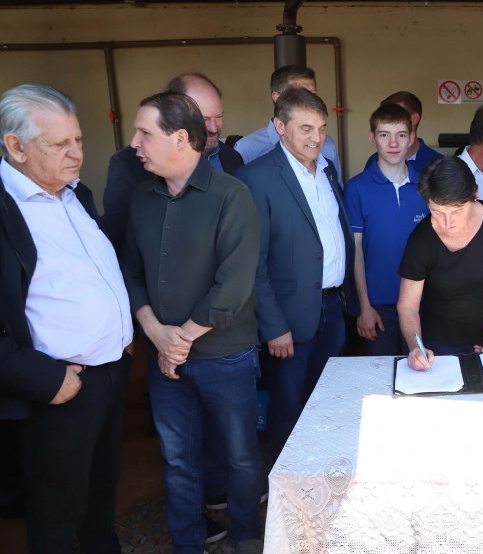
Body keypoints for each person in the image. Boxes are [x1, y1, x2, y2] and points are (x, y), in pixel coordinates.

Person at [121, 92, 264, 554]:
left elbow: (234, 287)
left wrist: (176, 341)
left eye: (145, 133)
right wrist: (156, 334)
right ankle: (188, 543)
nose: (134, 142)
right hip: (167, 358)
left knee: (241, 457)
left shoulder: (231, 195)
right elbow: (131, 273)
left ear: (180, 138)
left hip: (225, 355)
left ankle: (244, 535)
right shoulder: (142, 197)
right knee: (177, 460)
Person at [0, 84, 133, 554]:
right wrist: (46, 379)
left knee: (101, 494)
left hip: (109, 373)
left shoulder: (74, 192)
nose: (77, 154)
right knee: (57, 513)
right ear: (15, 146)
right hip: (57, 390)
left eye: (78, 140)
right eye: (60, 144)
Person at [234, 88, 358, 461]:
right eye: (305, 128)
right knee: (288, 407)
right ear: (279, 127)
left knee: (325, 400)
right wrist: (272, 326)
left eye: (321, 128)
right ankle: (287, 488)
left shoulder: (327, 170)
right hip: (289, 318)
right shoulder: (256, 178)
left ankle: (320, 474)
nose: (316, 138)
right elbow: (253, 262)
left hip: (333, 307)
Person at [397, 156, 483, 370]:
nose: (448, 222)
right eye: (437, 212)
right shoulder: (421, 239)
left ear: (474, 195)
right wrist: (416, 347)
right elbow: (408, 305)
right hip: (437, 343)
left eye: (456, 211)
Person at [102, 73, 244, 254]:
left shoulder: (232, 158)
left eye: (218, 117)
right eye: (204, 119)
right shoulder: (129, 163)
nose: (213, 128)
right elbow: (120, 238)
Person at [344, 103, 429, 356]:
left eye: (401, 135)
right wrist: (364, 307)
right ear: (372, 138)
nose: (393, 143)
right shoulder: (357, 187)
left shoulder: (426, 185)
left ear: (411, 138)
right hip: (378, 305)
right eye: (384, 135)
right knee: (382, 375)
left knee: (422, 373)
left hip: (423, 302)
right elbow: (355, 251)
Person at [234, 65, 343, 178]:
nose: (309, 101)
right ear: (277, 98)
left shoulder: (327, 145)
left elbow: (336, 190)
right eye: (300, 94)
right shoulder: (247, 148)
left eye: (313, 95)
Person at [363, 91, 442, 174]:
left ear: (414, 119)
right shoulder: (374, 160)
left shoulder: (438, 164)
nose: (388, 120)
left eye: (397, 113)